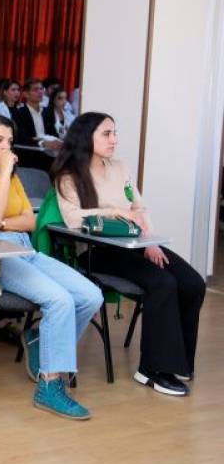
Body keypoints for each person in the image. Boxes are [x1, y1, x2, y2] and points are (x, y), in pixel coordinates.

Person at [0, 113, 103, 420]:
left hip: (22, 247)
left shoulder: (12, 176)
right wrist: (4, 177)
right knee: (59, 300)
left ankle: (39, 342)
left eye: (8, 141)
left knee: (90, 295)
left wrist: (2, 222)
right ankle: (49, 386)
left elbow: (30, 221)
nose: (5, 148)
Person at [53, 113, 205, 394]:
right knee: (162, 283)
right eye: (107, 134)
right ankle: (152, 370)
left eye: (115, 133)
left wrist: (149, 241)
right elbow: (74, 220)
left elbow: (139, 208)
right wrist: (114, 211)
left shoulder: (120, 168)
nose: (114, 140)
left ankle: (179, 361)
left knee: (193, 283)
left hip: (135, 245)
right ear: (87, 137)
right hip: (98, 251)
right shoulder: (68, 177)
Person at [12, 78, 60, 152]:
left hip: (49, 150)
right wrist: (42, 142)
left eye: (41, 89)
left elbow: (53, 132)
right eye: (35, 89)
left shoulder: (47, 111)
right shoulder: (19, 113)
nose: (40, 92)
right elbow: (22, 138)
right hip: (29, 151)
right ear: (25, 94)